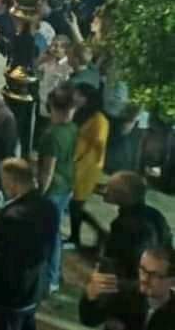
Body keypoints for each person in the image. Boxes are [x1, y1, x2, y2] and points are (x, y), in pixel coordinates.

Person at [0, 158, 58, 330]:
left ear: (13, 183)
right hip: (34, 288)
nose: (3, 186)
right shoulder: (49, 207)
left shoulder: (11, 218)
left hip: (7, 297)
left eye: (3, 181)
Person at [37, 84, 77, 294]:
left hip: (54, 190)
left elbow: (47, 171)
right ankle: (55, 272)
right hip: (67, 186)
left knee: (51, 234)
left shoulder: (51, 135)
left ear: (52, 106)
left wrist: (39, 193)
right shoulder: (73, 128)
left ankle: (51, 278)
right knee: (56, 231)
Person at [80, 245, 175, 330]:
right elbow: (89, 320)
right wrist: (90, 295)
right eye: (142, 269)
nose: (144, 278)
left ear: (172, 281)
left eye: (154, 275)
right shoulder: (122, 293)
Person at [101, 171, 172, 281]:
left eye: (110, 189)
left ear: (124, 195)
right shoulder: (155, 214)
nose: (104, 192)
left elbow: (113, 262)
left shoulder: (122, 225)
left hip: (133, 283)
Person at [69, 83, 109, 249]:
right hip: (77, 165)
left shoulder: (100, 120)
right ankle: (94, 233)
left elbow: (99, 145)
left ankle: (76, 239)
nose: (75, 98)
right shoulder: (80, 114)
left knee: (76, 204)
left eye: (79, 95)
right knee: (75, 205)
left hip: (87, 168)